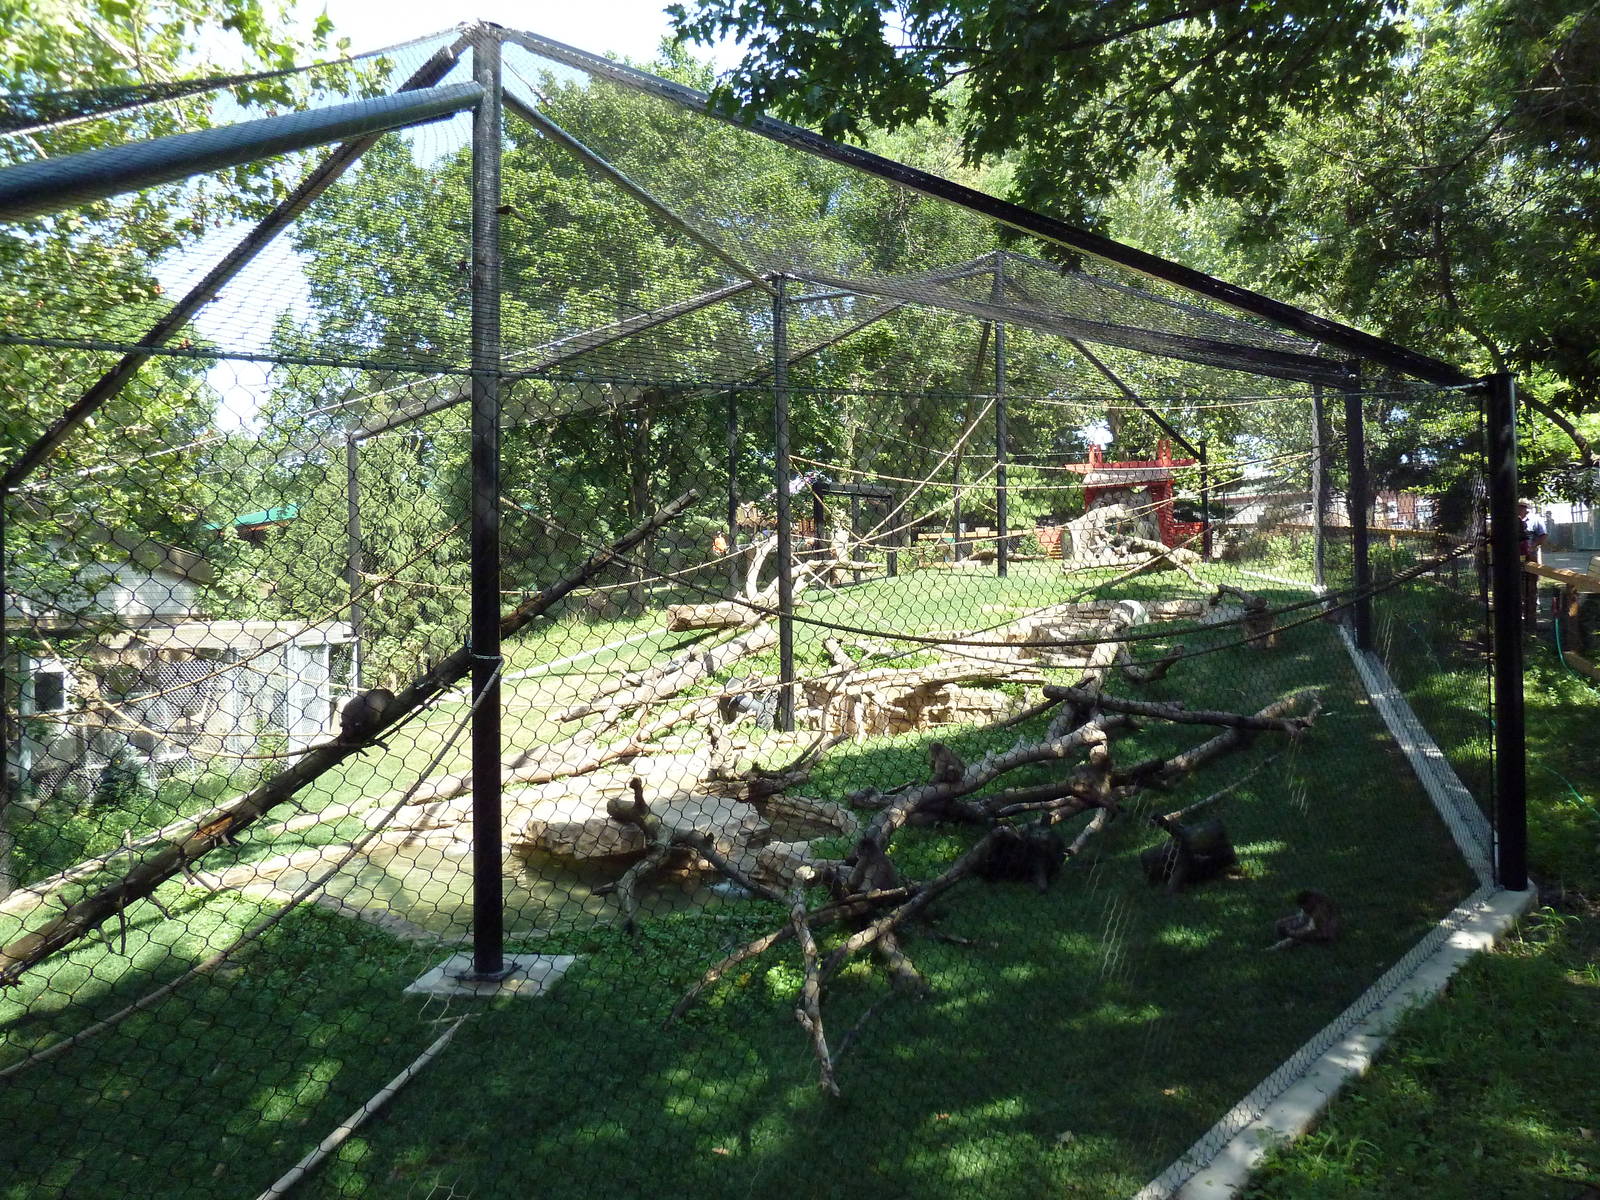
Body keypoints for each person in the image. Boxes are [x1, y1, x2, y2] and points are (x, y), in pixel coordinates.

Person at [1519, 499, 1548, 623]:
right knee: (1517, 583)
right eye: (1518, 507)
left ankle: (1532, 614)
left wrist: (1532, 546)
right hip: (1515, 557)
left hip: (1531, 557)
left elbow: (1543, 535)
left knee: (1531, 583)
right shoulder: (1511, 519)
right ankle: (1518, 613)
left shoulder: (1536, 520)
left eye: (1522, 507)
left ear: (1527, 508)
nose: (1519, 509)